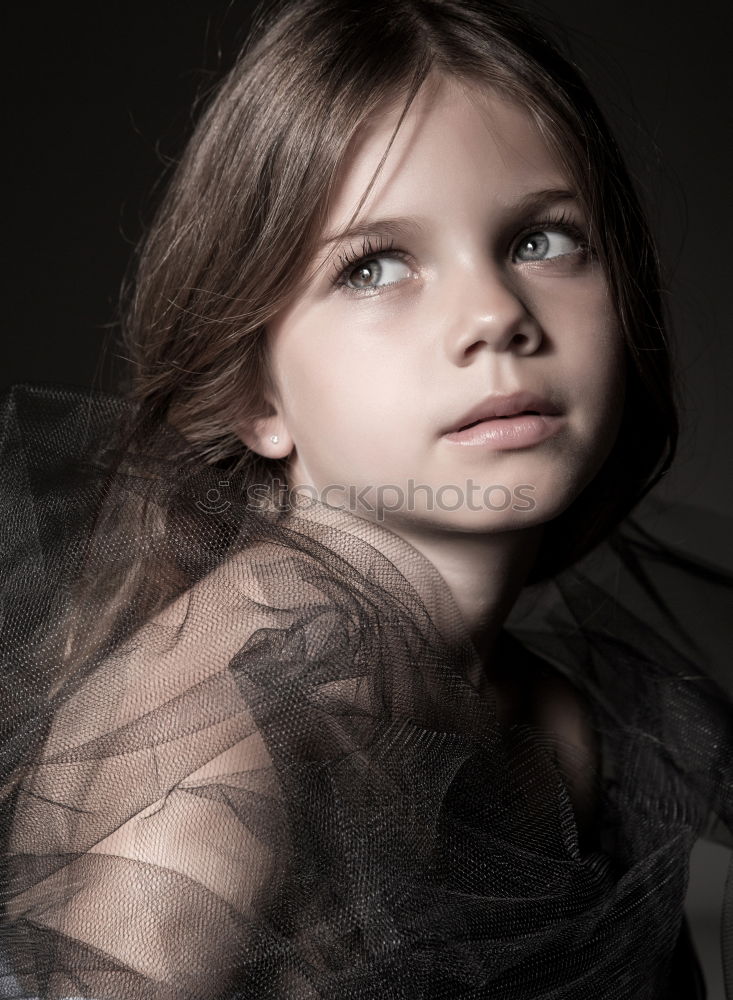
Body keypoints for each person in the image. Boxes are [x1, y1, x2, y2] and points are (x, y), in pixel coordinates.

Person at [0, 0, 731, 997]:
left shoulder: (559, 717)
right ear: (257, 394)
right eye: (373, 266)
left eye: (542, 241)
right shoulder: (231, 713)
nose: (492, 315)